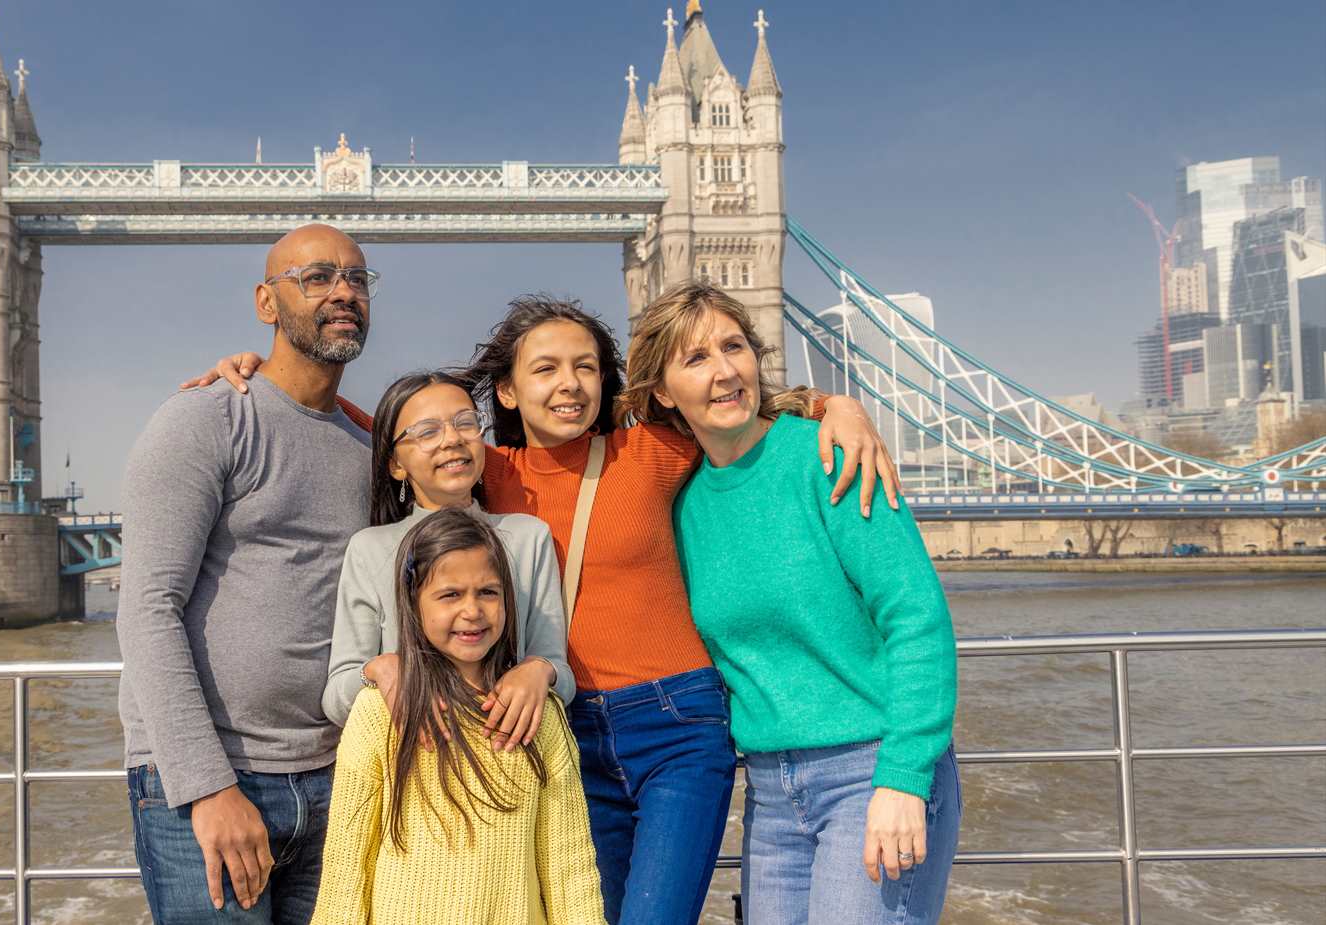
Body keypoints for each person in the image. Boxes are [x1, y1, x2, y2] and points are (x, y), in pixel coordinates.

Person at [190, 297, 898, 925]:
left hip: (676, 724)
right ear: (507, 389)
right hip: (562, 732)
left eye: (586, 367)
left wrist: (834, 405)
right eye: (547, 368)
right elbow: (405, 430)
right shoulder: (489, 470)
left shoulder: (652, 448)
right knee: (582, 904)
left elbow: (731, 410)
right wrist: (265, 376)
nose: (570, 384)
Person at [620, 283, 960, 925]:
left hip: (873, 768)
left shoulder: (828, 456)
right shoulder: (680, 502)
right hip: (772, 793)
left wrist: (905, 776)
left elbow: (917, 620)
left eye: (735, 346)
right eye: (695, 359)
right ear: (662, 390)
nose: (725, 371)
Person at [116, 223, 381, 924]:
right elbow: (145, 608)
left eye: (356, 278)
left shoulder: (370, 449)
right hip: (214, 784)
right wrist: (208, 788)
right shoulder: (204, 420)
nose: (342, 291)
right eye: (317, 277)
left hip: (334, 783)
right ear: (267, 303)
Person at [310, 508, 607, 925]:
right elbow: (346, 868)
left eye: (488, 592)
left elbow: (570, 869)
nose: (472, 610)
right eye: (450, 594)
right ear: (413, 604)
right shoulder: (378, 711)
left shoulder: (539, 715)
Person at [325, 371, 575, 747]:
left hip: (510, 758)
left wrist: (540, 670)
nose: (453, 439)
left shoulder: (527, 536)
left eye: (465, 423)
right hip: (413, 771)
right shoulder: (371, 549)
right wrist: (379, 669)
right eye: (427, 431)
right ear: (395, 464)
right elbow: (336, 695)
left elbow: (559, 670)